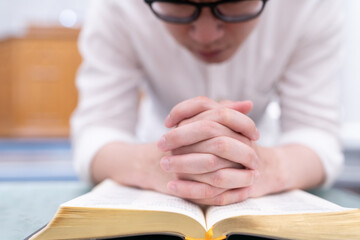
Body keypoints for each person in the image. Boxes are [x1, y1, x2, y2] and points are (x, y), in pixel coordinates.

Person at [71, 0, 344, 205]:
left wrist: (266, 166)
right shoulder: (116, 5)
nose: (206, 35)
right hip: (151, 159)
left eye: (233, 3)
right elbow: (96, 133)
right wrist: (153, 165)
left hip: (260, 166)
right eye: (177, 4)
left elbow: (316, 135)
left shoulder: (310, 5)